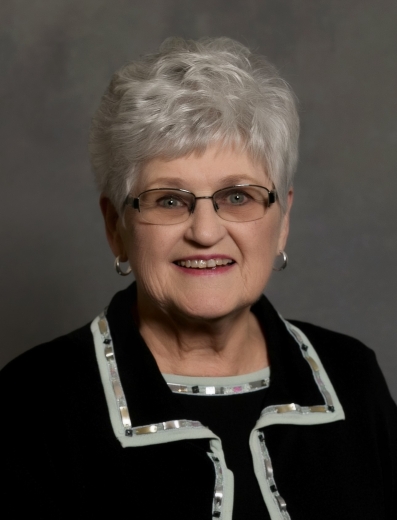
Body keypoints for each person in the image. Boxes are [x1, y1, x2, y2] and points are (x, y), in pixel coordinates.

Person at [1, 37, 396, 520]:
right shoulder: (33, 402)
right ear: (116, 227)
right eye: (169, 200)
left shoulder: (351, 377)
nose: (206, 232)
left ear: (283, 218)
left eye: (237, 196)